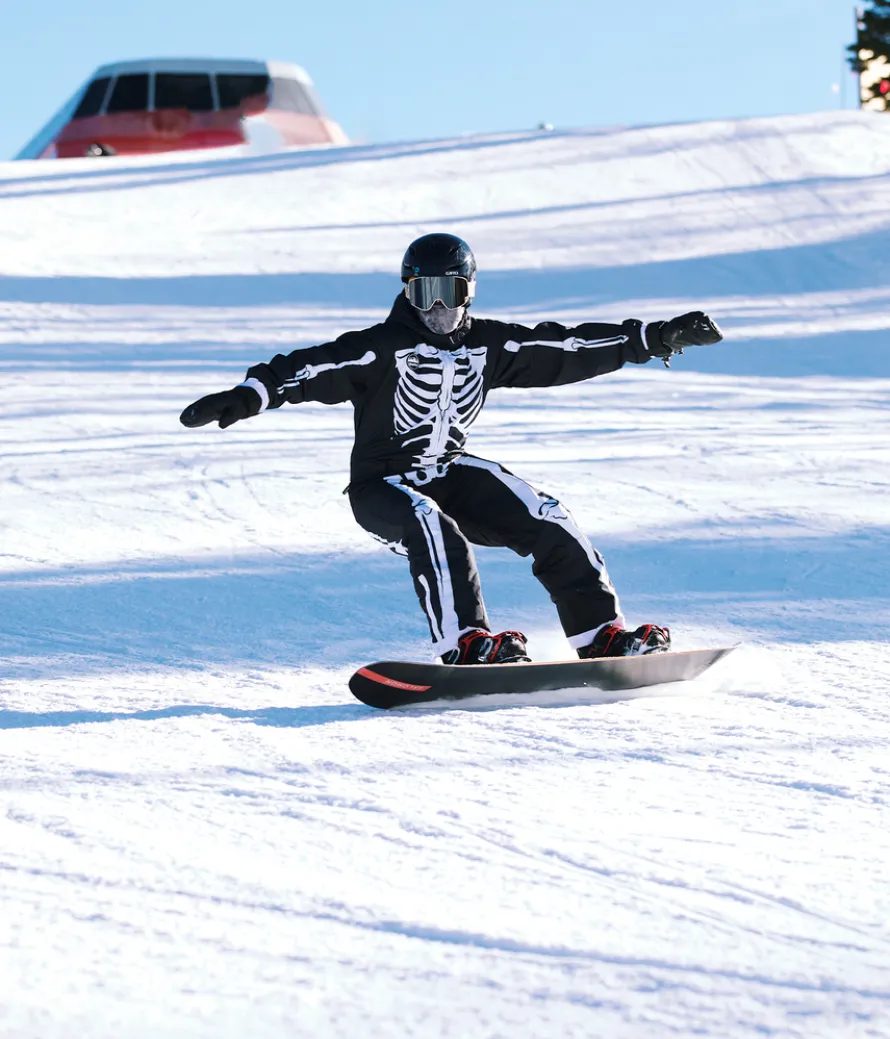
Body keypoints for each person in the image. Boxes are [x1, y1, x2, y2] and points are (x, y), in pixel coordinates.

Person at [181, 233, 723, 665]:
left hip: (447, 470)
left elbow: (564, 347)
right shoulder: (378, 348)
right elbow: (307, 368)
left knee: (546, 516)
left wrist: (653, 337)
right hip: (382, 486)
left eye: (449, 292)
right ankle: (466, 642)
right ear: (406, 291)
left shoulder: (491, 344)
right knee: (429, 523)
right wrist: (248, 395)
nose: (436, 307)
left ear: (469, 291)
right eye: (423, 293)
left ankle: (600, 635)